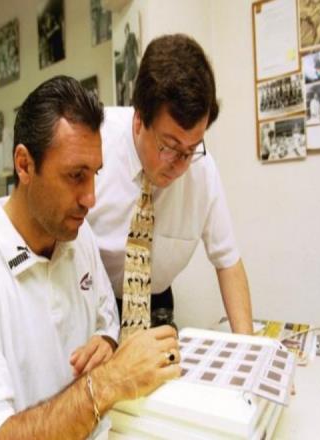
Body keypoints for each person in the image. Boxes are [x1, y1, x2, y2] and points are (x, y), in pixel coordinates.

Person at [0, 76, 181, 440]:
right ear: (24, 165)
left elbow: (106, 321)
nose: (91, 198)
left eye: (94, 174)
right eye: (75, 175)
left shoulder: (80, 237)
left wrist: (107, 343)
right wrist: (107, 382)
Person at [87, 34, 253, 335]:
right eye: (169, 146)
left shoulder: (202, 170)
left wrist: (249, 347)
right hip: (90, 303)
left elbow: (228, 261)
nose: (180, 164)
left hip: (155, 301)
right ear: (139, 120)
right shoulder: (93, 144)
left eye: (191, 149)